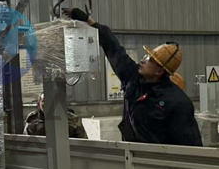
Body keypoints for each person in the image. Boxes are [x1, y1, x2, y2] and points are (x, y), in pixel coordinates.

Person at [64, 8, 202, 146]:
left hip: (159, 158)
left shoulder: (178, 103)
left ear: (159, 71)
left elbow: (192, 147)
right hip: (130, 152)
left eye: (149, 59)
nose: (143, 60)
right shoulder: (133, 77)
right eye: (146, 56)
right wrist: (87, 20)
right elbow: (113, 47)